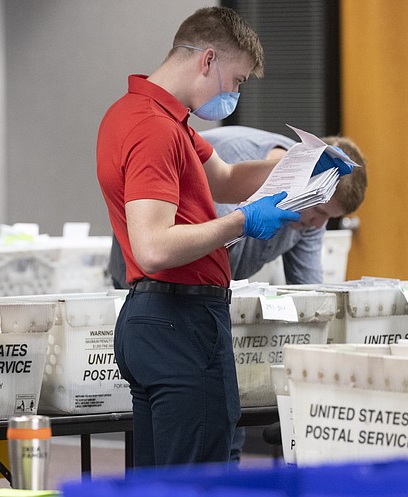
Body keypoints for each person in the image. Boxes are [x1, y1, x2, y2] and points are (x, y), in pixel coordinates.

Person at [97, 7, 352, 467]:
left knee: (165, 481)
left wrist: (300, 165)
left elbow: (227, 178)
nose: (235, 93)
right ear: (207, 59)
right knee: (203, 479)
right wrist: (242, 222)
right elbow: (153, 247)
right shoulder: (153, 130)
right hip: (180, 318)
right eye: (237, 80)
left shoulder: (155, 118)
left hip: (156, 318)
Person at [108, 126, 368, 289]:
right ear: (304, 181)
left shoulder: (314, 205)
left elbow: (309, 289)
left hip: (208, 291)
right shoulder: (233, 161)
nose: (318, 225)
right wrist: (241, 222)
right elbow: (188, 251)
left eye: (330, 219)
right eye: (320, 212)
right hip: (146, 279)